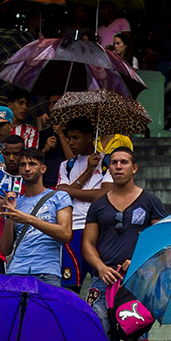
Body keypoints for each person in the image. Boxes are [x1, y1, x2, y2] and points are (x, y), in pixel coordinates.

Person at [69, 148, 166, 341]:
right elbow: (87, 244)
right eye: (114, 163)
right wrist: (100, 267)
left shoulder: (150, 201)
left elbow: (159, 243)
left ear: (135, 168)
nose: (119, 167)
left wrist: (135, 262)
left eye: (124, 162)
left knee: (137, 340)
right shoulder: (98, 204)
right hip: (103, 280)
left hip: (137, 282)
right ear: (108, 169)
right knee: (98, 339)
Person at [0, 149, 73, 341]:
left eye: (32, 164)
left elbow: (65, 234)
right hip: (17, 272)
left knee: (51, 339)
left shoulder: (58, 197)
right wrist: (10, 215)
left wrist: (28, 218)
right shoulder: (16, 201)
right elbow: (6, 248)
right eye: (22, 165)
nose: (26, 168)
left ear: (43, 168)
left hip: (47, 272)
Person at [56, 117, 112, 291]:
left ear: (90, 137)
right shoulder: (67, 165)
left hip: (99, 229)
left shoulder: (107, 162)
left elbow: (105, 194)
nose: (70, 142)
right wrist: (88, 172)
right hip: (72, 230)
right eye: (69, 137)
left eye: (75, 137)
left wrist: (70, 192)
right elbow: (60, 196)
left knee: (102, 284)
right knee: (70, 287)